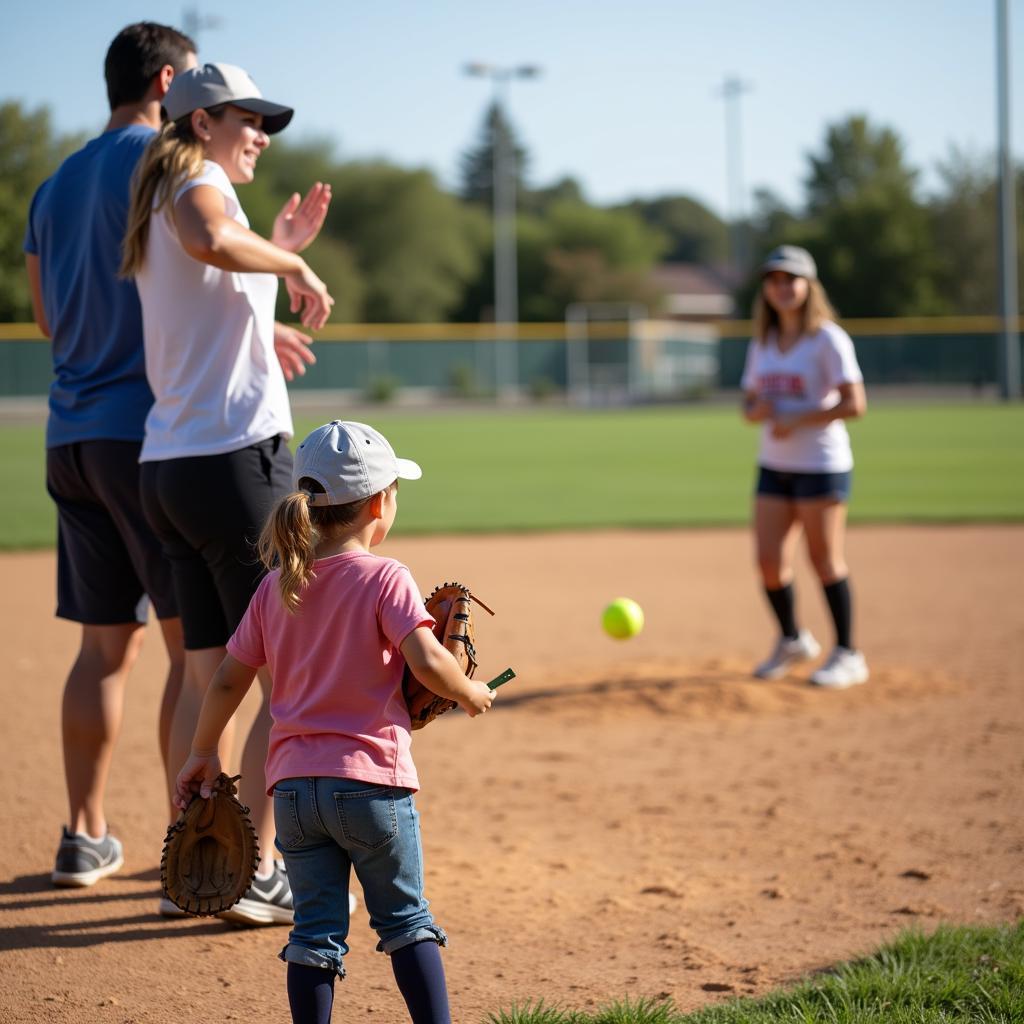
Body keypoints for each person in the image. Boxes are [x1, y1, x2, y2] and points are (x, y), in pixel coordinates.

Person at [173, 420, 495, 1024]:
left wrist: (201, 753)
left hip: (293, 793)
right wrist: (471, 691)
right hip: (372, 785)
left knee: (314, 934)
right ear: (379, 503)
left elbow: (226, 680)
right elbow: (427, 660)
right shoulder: (386, 576)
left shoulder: (276, 586)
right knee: (406, 921)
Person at [120, 61, 334, 924]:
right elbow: (212, 240)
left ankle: (195, 862)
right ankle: (255, 866)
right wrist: (294, 264)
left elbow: (211, 275)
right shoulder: (197, 185)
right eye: (249, 118)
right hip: (233, 463)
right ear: (201, 120)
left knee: (209, 672)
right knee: (285, 672)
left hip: (171, 467)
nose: (262, 135)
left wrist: (276, 262)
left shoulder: (168, 192)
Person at [23, 22, 197, 888]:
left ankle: (84, 836)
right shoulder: (165, 165)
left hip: (68, 437)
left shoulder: (52, 186)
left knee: (102, 652)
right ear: (165, 82)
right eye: (194, 90)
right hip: (147, 437)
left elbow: (49, 320)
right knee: (189, 650)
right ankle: (188, 847)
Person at [741, 245, 869, 689]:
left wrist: (800, 416)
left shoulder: (827, 338)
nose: (781, 287)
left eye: (790, 278)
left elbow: (856, 404)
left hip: (821, 463)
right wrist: (756, 409)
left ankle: (849, 654)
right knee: (769, 563)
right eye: (773, 279)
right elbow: (749, 400)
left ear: (808, 285)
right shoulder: (763, 341)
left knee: (824, 560)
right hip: (775, 464)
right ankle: (793, 639)